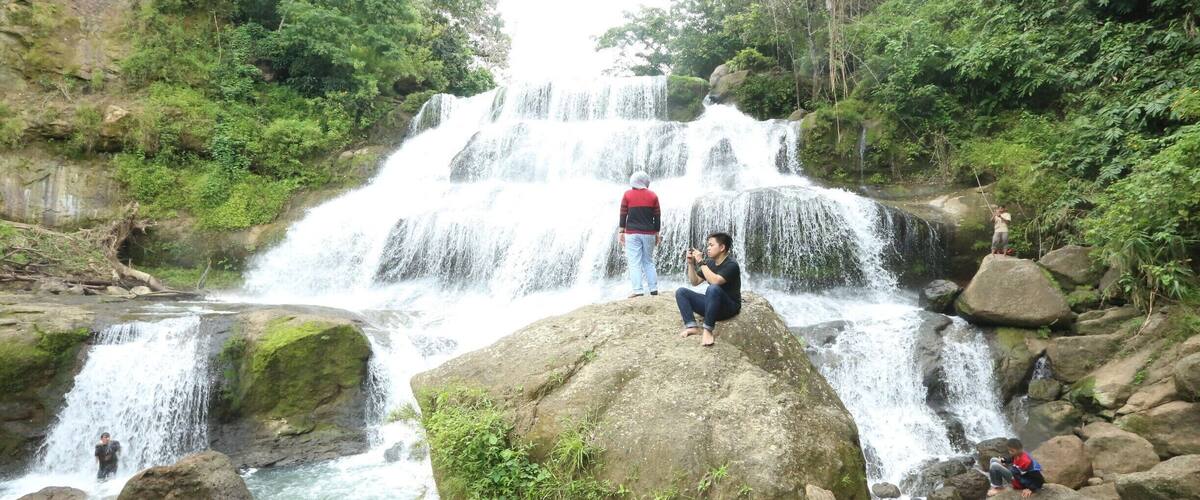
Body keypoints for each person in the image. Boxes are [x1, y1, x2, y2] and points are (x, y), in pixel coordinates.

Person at [675, 232, 742, 347]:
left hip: (728, 307)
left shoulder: (732, 265)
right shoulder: (710, 263)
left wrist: (701, 262)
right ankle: (692, 327)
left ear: (722, 247)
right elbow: (695, 282)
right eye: (708, 245)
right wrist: (691, 264)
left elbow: (715, 281)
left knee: (713, 288)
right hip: (712, 306)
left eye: (711, 245)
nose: (708, 248)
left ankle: (707, 330)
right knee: (681, 292)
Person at [618, 171, 661, 298]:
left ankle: (638, 291)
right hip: (649, 233)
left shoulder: (627, 195)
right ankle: (653, 290)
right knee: (648, 261)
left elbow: (623, 214)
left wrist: (621, 230)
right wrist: (657, 233)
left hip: (632, 233)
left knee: (634, 262)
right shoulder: (653, 195)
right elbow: (657, 217)